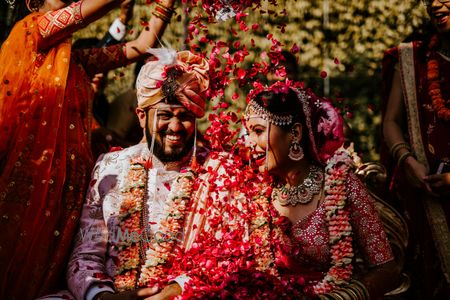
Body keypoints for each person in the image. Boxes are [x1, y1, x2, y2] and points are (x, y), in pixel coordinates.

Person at [0, 0, 177, 297]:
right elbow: (88, 12)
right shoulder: (32, 33)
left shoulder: (77, 61)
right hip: (29, 197)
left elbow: (142, 45)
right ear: (33, 3)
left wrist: (164, 4)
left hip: (67, 200)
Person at [66, 50, 211, 300]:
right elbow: (86, 255)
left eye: (185, 117)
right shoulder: (109, 167)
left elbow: (219, 257)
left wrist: (174, 291)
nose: (175, 128)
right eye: (165, 115)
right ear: (142, 116)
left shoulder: (214, 172)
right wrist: (103, 297)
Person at [240, 81, 400, 299]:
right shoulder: (254, 191)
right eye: (247, 132)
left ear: (295, 133)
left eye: (258, 131)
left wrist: (338, 297)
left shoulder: (341, 184)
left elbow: (387, 270)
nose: (248, 142)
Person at [382, 0, 450, 298]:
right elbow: (391, 122)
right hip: (425, 199)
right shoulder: (412, 58)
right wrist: (408, 161)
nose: (435, 3)